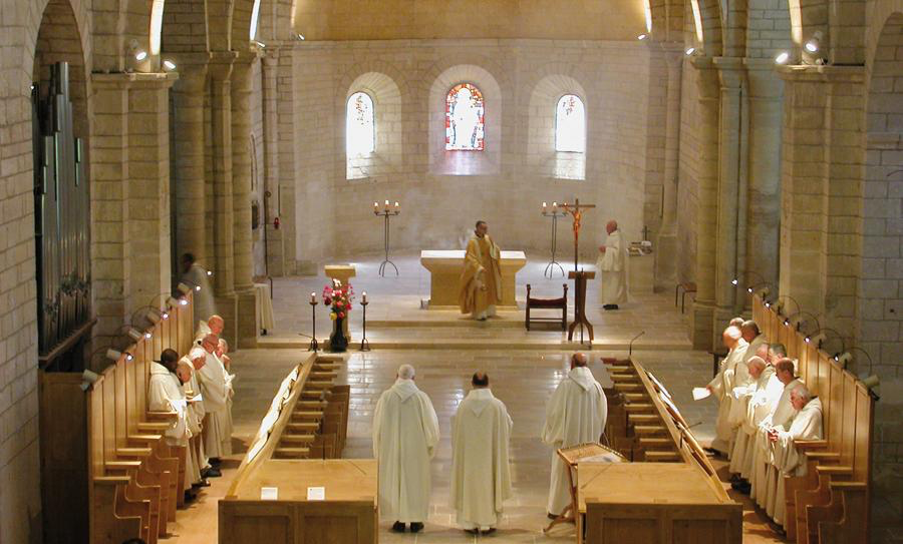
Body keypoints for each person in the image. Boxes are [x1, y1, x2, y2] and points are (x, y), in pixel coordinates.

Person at [372, 365, 440, 534]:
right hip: (416, 451)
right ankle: (416, 520)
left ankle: (398, 520)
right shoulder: (421, 398)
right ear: (413, 378)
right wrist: (430, 447)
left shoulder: (386, 397)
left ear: (396, 376)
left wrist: (379, 450)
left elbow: (377, 427)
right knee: (415, 483)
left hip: (392, 450)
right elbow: (432, 427)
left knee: (396, 482)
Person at [542, 353, 607, 518]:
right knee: (584, 474)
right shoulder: (596, 388)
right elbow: (603, 415)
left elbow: (554, 414)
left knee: (563, 474)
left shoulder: (565, 387)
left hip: (567, 444)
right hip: (589, 444)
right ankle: (582, 508)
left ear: (572, 365)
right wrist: (594, 434)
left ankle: (558, 509)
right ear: (586, 366)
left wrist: (552, 433)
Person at [451, 372, 513, 535]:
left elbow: (456, 432)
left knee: (470, 483)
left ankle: (469, 523)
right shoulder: (497, 406)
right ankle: (488, 523)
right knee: (489, 482)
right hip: (489, 458)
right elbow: (508, 426)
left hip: (470, 459)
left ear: (472, 383)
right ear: (488, 383)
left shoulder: (463, 406)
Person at [769, 385, 823, 528]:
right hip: (796, 453)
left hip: (803, 458)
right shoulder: (803, 410)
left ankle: (791, 526)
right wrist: (779, 431)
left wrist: (780, 436)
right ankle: (785, 524)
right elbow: (793, 429)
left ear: (803, 398)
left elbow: (801, 436)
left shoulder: (812, 412)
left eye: (793, 398)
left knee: (795, 491)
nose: (791, 401)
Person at [751, 358, 801, 509]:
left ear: (786, 373)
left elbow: (787, 417)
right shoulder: (787, 387)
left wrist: (777, 430)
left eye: (778, 373)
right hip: (776, 432)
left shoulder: (794, 389)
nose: (776, 376)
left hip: (783, 438)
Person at [728, 356, 783, 491]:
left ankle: (749, 483)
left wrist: (750, 401)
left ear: (758, 369)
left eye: (751, 370)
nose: (749, 373)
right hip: (756, 423)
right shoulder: (764, 377)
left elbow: (764, 402)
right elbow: (757, 391)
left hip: (762, 423)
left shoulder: (771, 379)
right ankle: (746, 478)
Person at [148, 349, 193, 494]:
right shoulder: (158, 379)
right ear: (167, 362)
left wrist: (182, 402)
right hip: (169, 426)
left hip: (176, 422)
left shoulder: (167, 375)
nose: (176, 365)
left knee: (182, 458)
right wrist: (180, 404)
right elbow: (158, 404)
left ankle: (183, 489)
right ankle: (178, 492)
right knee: (173, 460)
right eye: (174, 362)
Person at [705, 326, 749, 456]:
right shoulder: (733, 349)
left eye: (726, 340)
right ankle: (720, 446)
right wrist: (714, 384)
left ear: (733, 339)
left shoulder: (743, 351)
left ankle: (727, 450)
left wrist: (721, 382)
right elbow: (725, 370)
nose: (724, 343)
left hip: (733, 392)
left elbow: (736, 374)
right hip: (727, 391)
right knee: (723, 421)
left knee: (728, 422)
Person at [191, 334, 233, 463]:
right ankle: (211, 457)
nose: (216, 348)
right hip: (212, 398)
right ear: (206, 343)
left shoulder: (210, 354)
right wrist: (224, 389)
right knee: (212, 433)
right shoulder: (200, 356)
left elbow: (221, 371)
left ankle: (217, 455)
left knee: (219, 431)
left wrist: (227, 382)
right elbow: (208, 381)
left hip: (219, 394)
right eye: (214, 345)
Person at [459, 221, 503, 321]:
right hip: (479, 271)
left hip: (489, 269)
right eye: (483, 228)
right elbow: (470, 257)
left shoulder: (488, 239)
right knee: (480, 291)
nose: (485, 230)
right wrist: (478, 267)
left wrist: (495, 250)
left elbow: (494, 249)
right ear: (477, 228)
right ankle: (480, 313)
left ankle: (489, 311)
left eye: (486, 228)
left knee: (489, 290)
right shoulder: (472, 242)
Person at [596, 220, 627, 310]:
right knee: (609, 285)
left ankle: (613, 303)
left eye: (607, 227)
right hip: (610, 265)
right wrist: (605, 249)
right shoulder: (612, 236)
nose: (606, 229)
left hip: (615, 266)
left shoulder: (617, 237)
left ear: (611, 228)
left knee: (614, 285)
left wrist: (606, 249)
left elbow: (618, 252)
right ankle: (609, 302)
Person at [181, 252, 216, 323]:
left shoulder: (197, 271)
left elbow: (196, 286)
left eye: (184, 262)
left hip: (199, 303)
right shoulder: (190, 271)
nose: (182, 265)